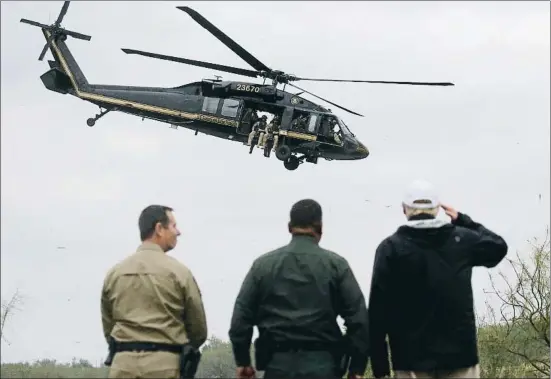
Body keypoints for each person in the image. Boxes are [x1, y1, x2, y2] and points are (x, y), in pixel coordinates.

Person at [367, 180, 508, 379]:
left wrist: (380, 368)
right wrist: (462, 220)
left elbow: (377, 312)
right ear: (437, 208)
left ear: (404, 209)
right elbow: (498, 247)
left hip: (410, 359)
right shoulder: (462, 240)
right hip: (460, 357)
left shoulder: (390, 248)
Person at [229, 199, 370, 379]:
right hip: (324, 367)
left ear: (290, 227)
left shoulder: (262, 267)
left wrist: (243, 363)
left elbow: (240, 320)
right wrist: (356, 369)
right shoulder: (336, 265)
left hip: (277, 367)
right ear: (320, 227)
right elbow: (359, 321)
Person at [101, 205, 208, 379]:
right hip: (165, 365)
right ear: (159, 228)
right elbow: (198, 330)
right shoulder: (179, 273)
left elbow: (108, 325)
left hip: (123, 366)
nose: (178, 232)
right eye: (173, 226)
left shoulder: (114, 273)